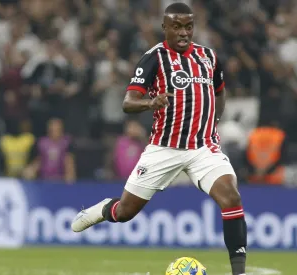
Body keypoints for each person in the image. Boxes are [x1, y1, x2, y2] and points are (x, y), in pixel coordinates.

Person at [71, 3, 247, 275]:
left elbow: (219, 91)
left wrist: (213, 123)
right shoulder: (154, 58)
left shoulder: (208, 57)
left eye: (188, 26)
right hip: (164, 148)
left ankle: (239, 272)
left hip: (203, 147)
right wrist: (151, 102)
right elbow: (128, 102)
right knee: (126, 212)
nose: (183, 32)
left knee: (231, 197)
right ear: (165, 27)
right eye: (177, 26)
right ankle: (104, 210)